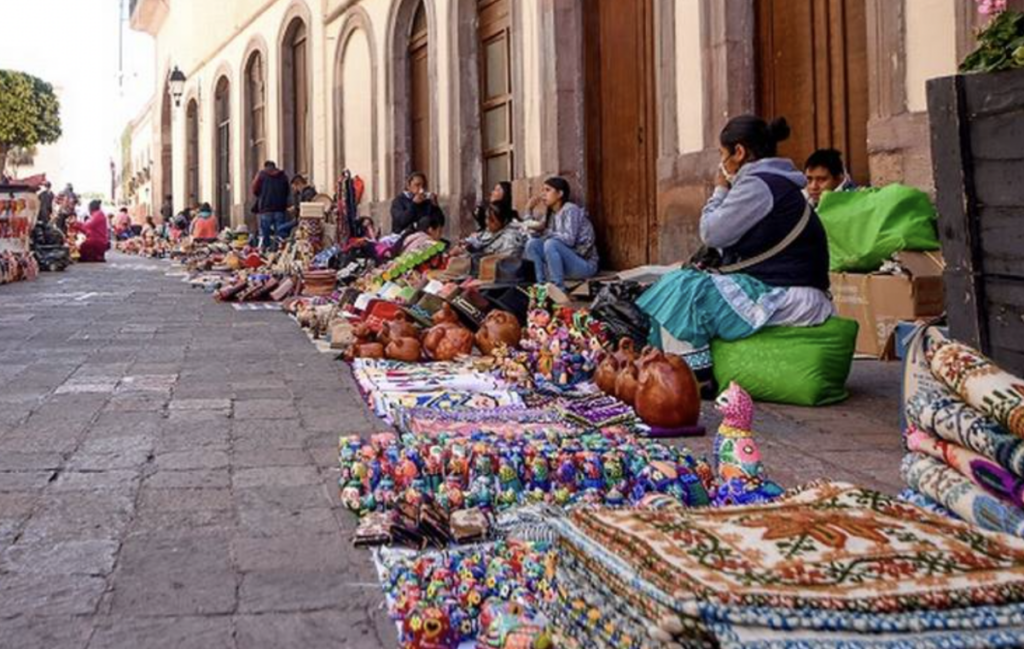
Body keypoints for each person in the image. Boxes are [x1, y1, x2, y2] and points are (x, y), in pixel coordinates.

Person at [636, 115, 833, 388]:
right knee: (678, 281)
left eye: (722, 154)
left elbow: (711, 232)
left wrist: (719, 189)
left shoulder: (758, 185)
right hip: (784, 288)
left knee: (684, 290)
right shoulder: (771, 183)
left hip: (791, 295)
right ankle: (678, 369)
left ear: (738, 152)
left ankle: (690, 378)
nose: (722, 162)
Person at [523, 177, 598, 289]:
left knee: (551, 243)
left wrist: (545, 232)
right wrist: (529, 211)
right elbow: (535, 232)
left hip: (583, 264)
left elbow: (569, 239)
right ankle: (540, 285)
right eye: (543, 190)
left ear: (560, 194)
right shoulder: (551, 214)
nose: (543, 194)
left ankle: (558, 288)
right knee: (532, 244)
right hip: (563, 265)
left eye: (547, 190)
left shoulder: (571, 209)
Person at [251, 160, 290, 250]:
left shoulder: (261, 175)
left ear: (265, 166)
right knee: (280, 231)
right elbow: (287, 190)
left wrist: (262, 196)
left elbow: (255, 189)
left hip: (266, 208)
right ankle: (280, 249)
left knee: (265, 232)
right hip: (280, 208)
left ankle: (266, 248)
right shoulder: (282, 176)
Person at [460, 203, 524, 257]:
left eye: (492, 221)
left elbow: (504, 260)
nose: (487, 222)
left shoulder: (510, 239)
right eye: (486, 218)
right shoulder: (487, 232)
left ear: (504, 221)